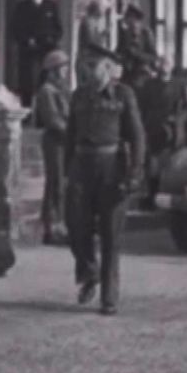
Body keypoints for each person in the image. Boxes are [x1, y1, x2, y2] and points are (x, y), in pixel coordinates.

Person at [65, 52, 144, 316]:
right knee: (77, 227)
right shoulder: (78, 96)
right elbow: (70, 134)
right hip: (81, 166)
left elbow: (137, 136)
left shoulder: (123, 95)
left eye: (94, 65)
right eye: (86, 65)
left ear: (108, 69)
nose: (89, 70)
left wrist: (134, 173)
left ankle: (109, 297)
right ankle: (90, 272)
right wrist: (68, 171)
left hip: (112, 168)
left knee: (111, 234)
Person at [136, 58, 187, 211]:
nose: (163, 67)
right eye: (161, 64)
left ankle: (168, 194)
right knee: (153, 164)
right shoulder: (149, 85)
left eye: (166, 64)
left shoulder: (178, 85)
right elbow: (142, 107)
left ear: (171, 67)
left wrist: (177, 119)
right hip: (153, 127)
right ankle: (153, 195)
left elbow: (184, 106)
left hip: (172, 129)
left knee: (170, 162)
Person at [33, 50, 71, 245]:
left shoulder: (63, 89)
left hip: (65, 141)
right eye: (62, 67)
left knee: (62, 183)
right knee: (55, 183)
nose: (65, 71)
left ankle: (60, 223)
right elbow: (53, 119)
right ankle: (52, 225)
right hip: (55, 141)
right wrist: (71, 132)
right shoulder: (47, 91)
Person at [10, 0, 63, 107]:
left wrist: (51, 39)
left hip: (46, 49)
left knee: (45, 82)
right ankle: (26, 110)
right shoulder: (22, 7)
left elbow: (59, 28)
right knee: (26, 81)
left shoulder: (51, 6)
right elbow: (14, 28)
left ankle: (43, 113)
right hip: (28, 49)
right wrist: (25, 40)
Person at [116, 4, 159, 92]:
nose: (126, 21)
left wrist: (136, 54)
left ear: (134, 19)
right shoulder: (125, 34)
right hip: (127, 76)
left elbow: (153, 57)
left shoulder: (146, 34)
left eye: (128, 18)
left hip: (142, 76)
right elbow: (119, 52)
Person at [76, 0, 110, 87]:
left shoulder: (93, 22)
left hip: (92, 61)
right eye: (104, 9)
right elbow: (90, 43)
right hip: (87, 62)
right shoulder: (88, 21)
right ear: (98, 9)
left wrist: (102, 36)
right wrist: (108, 53)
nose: (104, 13)